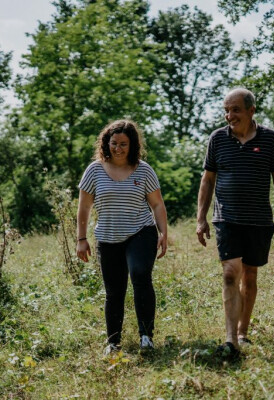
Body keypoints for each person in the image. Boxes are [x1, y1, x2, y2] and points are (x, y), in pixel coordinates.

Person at [196, 88, 274, 358]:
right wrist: (201, 218)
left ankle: (242, 332)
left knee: (250, 274)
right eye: (226, 110)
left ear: (251, 110)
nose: (229, 115)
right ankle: (230, 340)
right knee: (229, 273)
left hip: (259, 219)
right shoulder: (217, 139)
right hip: (227, 218)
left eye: (235, 109)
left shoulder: (269, 139)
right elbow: (208, 179)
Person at [76, 119, 168, 355]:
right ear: (106, 143)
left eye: (123, 144)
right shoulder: (94, 170)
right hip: (107, 237)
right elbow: (84, 207)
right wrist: (81, 239)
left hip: (141, 232)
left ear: (132, 145)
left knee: (140, 275)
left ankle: (146, 337)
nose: (118, 148)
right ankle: (113, 343)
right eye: (114, 143)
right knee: (114, 290)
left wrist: (163, 232)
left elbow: (157, 204)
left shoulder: (143, 170)